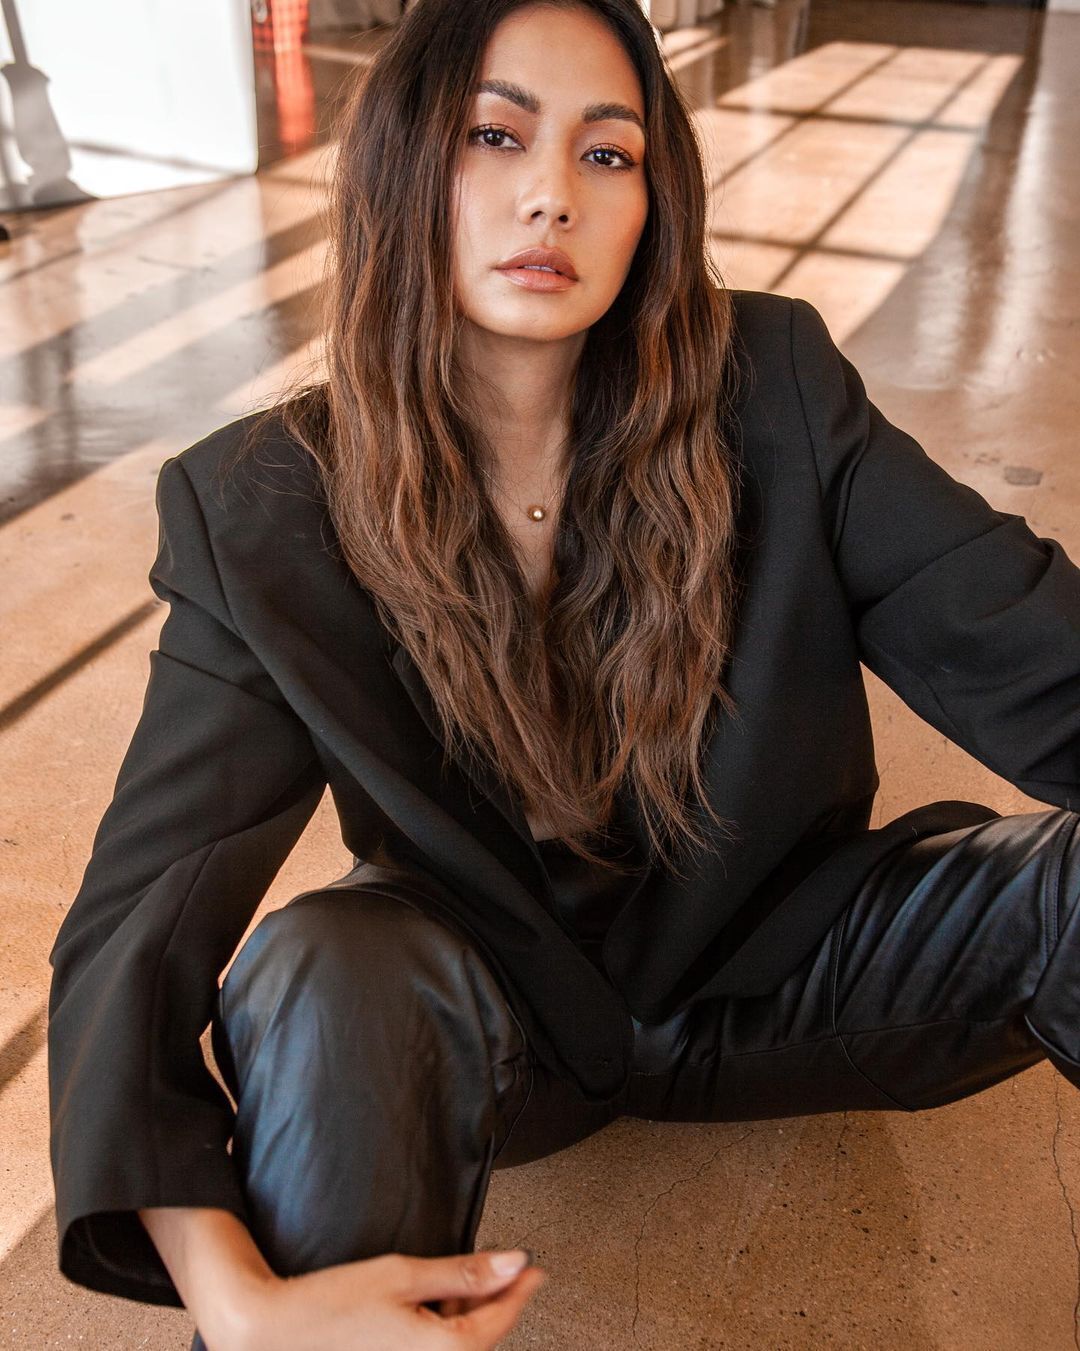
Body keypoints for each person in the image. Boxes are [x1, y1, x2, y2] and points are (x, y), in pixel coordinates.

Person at [46, 0, 1080, 1347]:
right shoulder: (260, 504)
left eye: (609, 155)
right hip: (494, 1020)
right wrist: (241, 1307)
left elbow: (1025, 641)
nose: (552, 195)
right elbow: (139, 927)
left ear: (656, 204)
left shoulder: (771, 385)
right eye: (494, 134)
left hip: (793, 970)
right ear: (406, 166)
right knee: (317, 962)